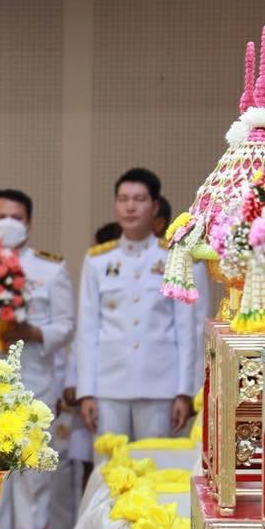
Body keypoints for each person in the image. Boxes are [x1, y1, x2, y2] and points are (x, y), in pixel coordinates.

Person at [75, 168, 200, 444]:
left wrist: (185, 391)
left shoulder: (174, 258)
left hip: (160, 387)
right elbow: (87, 329)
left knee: (156, 469)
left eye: (139, 199)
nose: (130, 207)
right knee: (108, 470)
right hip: (108, 387)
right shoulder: (97, 261)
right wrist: (86, 392)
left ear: (155, 206)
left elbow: (187, 330)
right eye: (123, 199)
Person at [0, 189, 74, 529]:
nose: (8, 224)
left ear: (29, 223)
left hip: (34, 382)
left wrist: (31, 331)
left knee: (33, 481)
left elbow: (65, 326)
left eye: (16, 218)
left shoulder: (49, 269)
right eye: (1, 216)